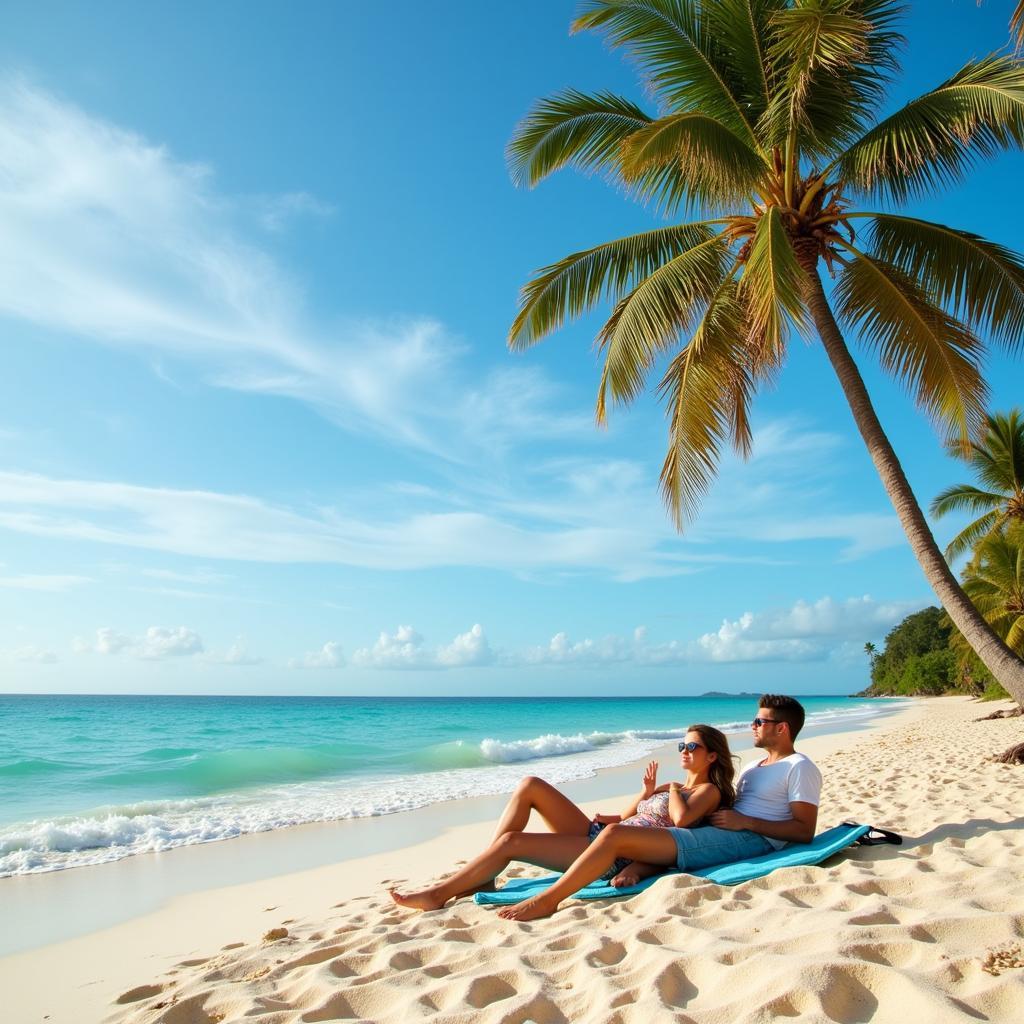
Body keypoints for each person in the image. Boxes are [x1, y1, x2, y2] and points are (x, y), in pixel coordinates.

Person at [492, 694, 822, 920]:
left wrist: (746, 823)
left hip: (752, 839)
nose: (752, 725)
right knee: (649, 836)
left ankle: (549, 900)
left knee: (634, 836)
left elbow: (804, 831)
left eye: (760, 721)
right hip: (726, 828)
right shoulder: (754, 767)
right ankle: (641, 864)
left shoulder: (799, 767)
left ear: (782, 728)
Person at [388, 723, 736, 911]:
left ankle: (437, 895)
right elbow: (627, 816)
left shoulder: (706, 791)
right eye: (682, 746)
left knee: (513, 843)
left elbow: (682, 822)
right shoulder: (669, 787)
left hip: (613, 853)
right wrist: (646, 794)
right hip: (603, 833)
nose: (685, 752)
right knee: (530, 785)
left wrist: (673, 788)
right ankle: (484, 877)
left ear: (712, 757)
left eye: (692, 747)